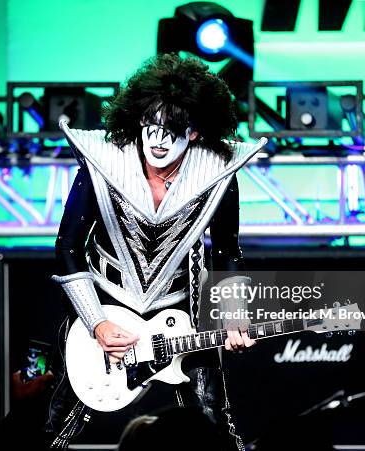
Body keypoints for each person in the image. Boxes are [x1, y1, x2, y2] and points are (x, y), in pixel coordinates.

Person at [47, 53, 267, 449]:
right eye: (150, 125)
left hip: (181, 308)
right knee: (58, 420)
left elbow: (226, 252)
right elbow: (67, 249)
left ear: (196, 133)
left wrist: (235, 316)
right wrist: (97, 322)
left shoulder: (219, 175)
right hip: (102, 302)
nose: (158, 140)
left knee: (215, 421)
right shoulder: (101, 164)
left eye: (173, 129)